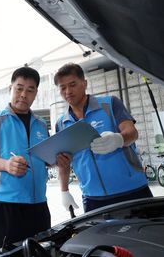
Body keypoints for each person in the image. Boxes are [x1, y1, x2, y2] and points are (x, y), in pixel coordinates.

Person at [54, 63, 153, 213]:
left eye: (72, 84)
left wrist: (119, 139)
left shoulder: (109, 104)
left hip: (132, 190)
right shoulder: (61, 123)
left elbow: (132, 132)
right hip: (93, 198)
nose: (68, 91)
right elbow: (64, 161)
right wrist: (64, 191)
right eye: (62, 87)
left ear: (84, 83)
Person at [0, 67, 51, 254]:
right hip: (6, 206)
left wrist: (59, 159)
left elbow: (46, 159)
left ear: (36, 93)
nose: (24, 94)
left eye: (30, 90)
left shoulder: (41, 124)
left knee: (39, 253)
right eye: (19, 88)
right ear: (10, 88)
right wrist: (6, 165)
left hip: (39, 205)